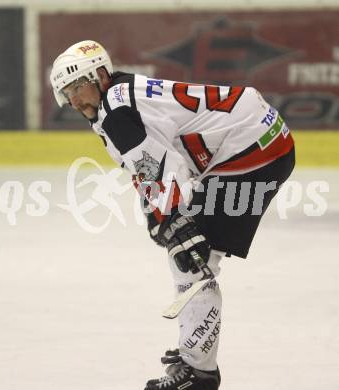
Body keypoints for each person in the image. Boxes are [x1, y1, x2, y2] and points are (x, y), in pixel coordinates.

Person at [50, 40, 295, 390]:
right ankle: (195, 357)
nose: (73, 100)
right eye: (66, 93)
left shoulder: (116, 110)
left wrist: (171, 218)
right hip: (259, 142)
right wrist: (162, 212)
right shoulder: (119, 97)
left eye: (77, 87)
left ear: (100, 75)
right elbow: (153, 164)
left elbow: (163, 166)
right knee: (187, 247)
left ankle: (199, 372)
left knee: (191, 257)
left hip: (252, 150)